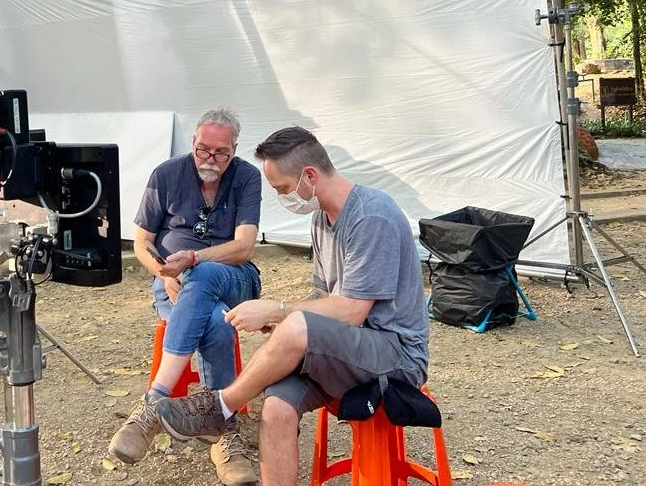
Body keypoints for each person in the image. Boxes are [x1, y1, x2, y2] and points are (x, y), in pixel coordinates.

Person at [152, 125, 429, 486]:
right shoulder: (321, 219)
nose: (283, 197)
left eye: (283, 188)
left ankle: (220, 407)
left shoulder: (370, 216)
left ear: (309, 176)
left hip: (395, 355)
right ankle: (225, 411)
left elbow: (353, 310)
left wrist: (278, 312)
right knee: (277, 405)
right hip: (345, 350)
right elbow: (324, 300)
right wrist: (280, 325)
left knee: (294, 324)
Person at [108, 108, 262, 486]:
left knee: (206, 274)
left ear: (234, 150)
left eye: (220, 153)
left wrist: (195, 259)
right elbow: (142, 243)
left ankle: (151, 406)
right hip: (172, 280)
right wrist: (162, 272)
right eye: (203, 150)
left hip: (234, 278)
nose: (210, 160)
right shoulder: (166, 174)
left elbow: (243, 247)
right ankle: (225, 432)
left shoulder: (247, 177)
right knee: (214, 321)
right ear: (193, 143)